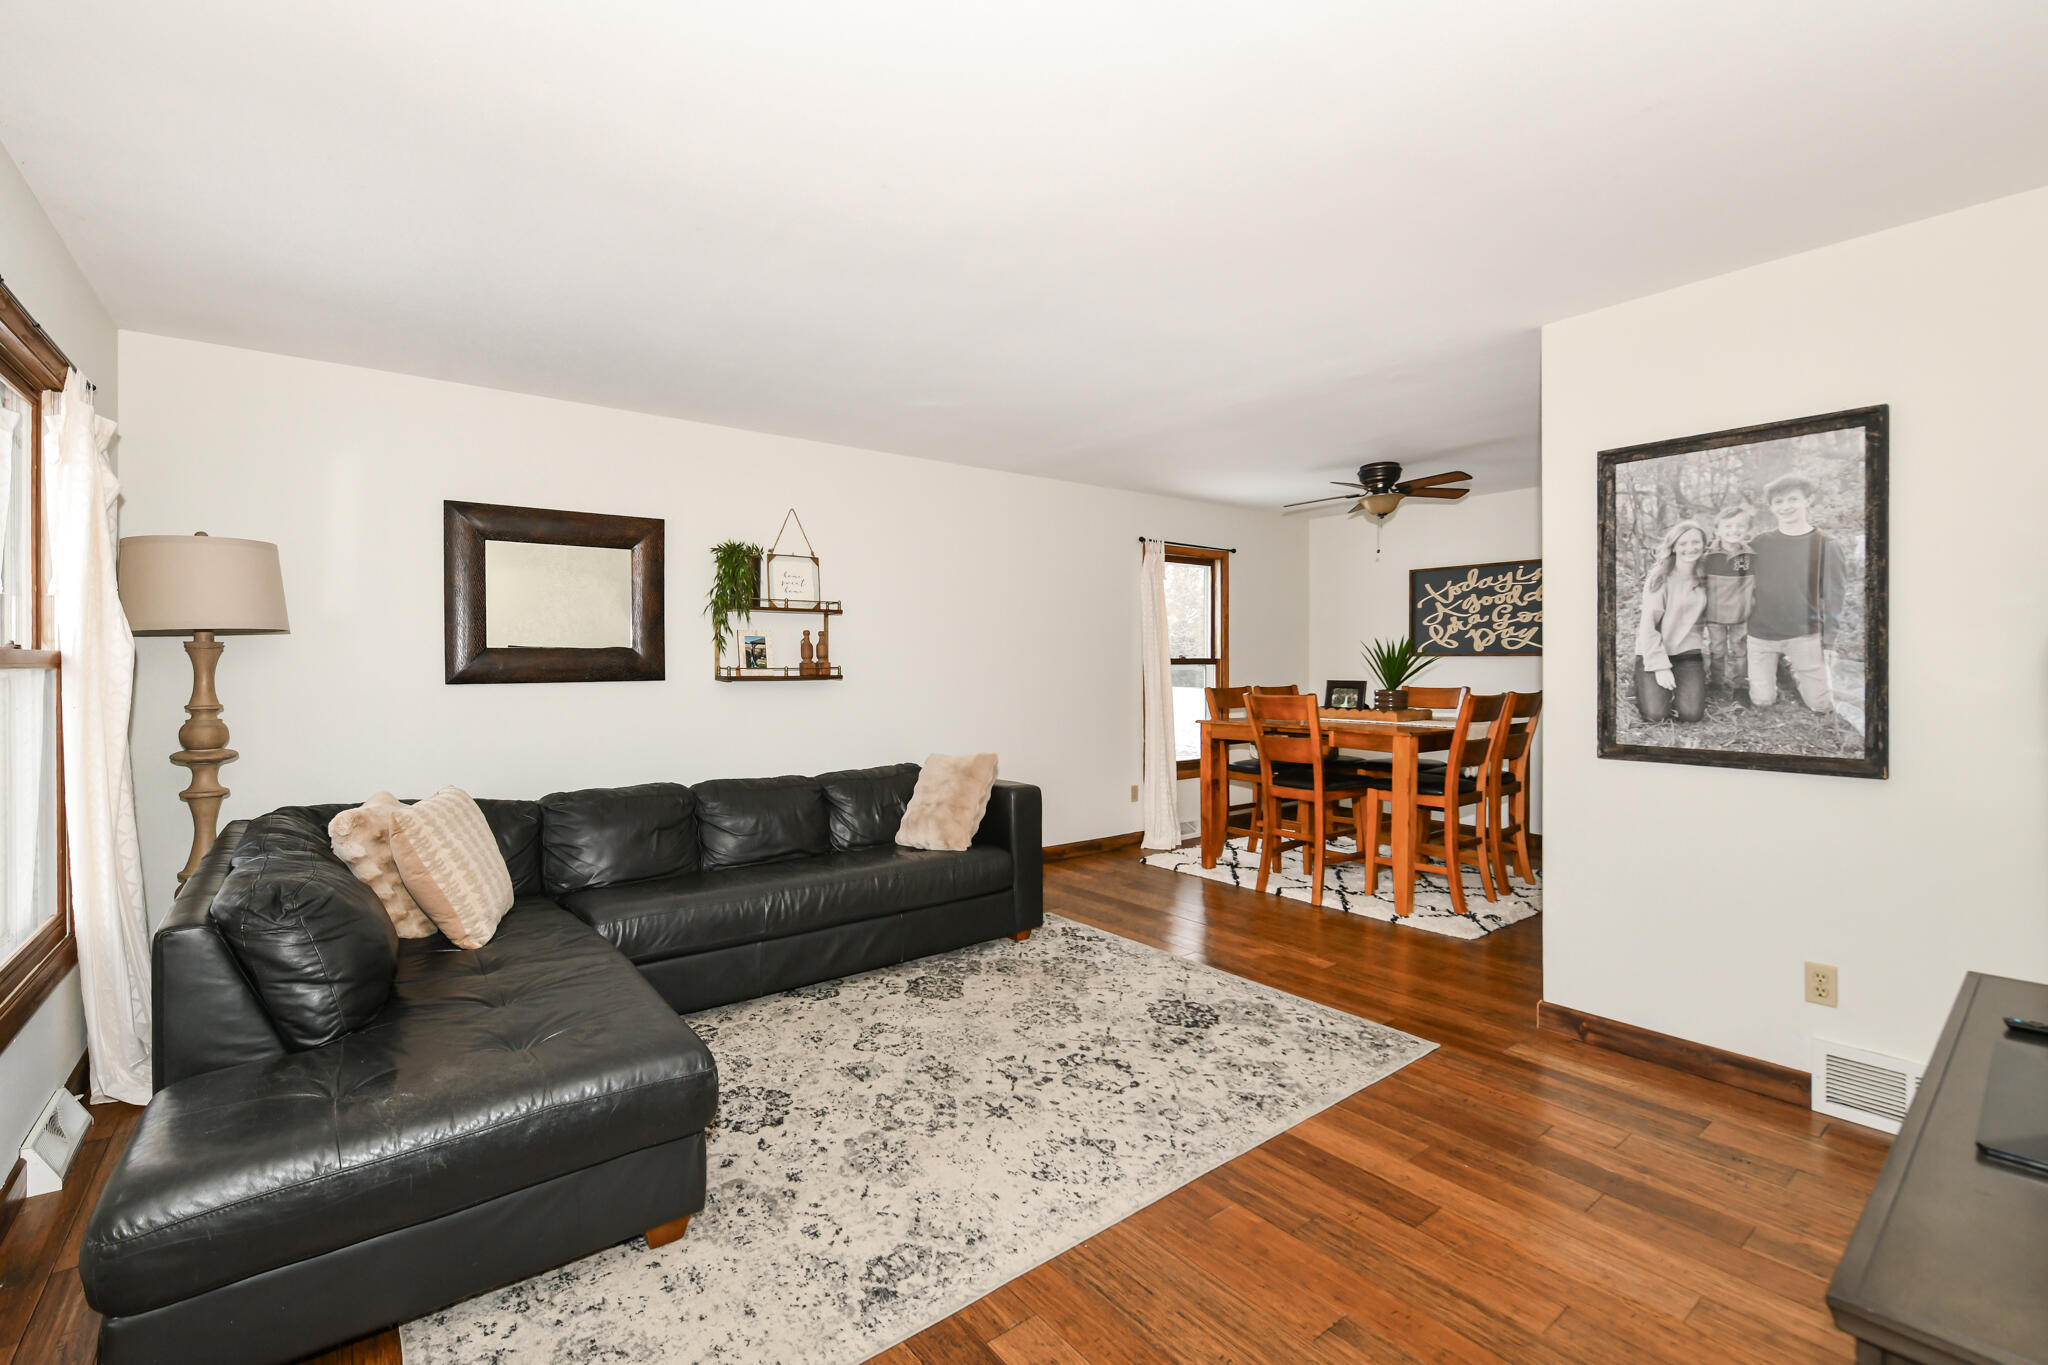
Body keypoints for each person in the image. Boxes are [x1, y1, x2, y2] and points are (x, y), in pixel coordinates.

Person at [1747, 472, 1847, 712]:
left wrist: (1829, 643)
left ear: (1807, 501)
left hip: (1803, 634)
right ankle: (1778, 668)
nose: (1786, 507)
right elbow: (1731, 572)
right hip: (1761, 635)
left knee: (1821, 706)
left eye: (1793, 499)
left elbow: (1835, 598)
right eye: (1778, 502)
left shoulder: (1826, 545)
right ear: (1771, 508)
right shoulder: (1760, 543)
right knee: (1762, 701)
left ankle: (1796, 667)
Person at [1633, 519, 1711, 723]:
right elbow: (1648, 626)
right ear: (1674, 547)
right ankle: (1643, 681)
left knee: (1691, 714)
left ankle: (1682, 682)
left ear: (1704, 544)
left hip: (1688, 651)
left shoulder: (1706, 576)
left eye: (1696, 542)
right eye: (1683, 543)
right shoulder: (1661, 577)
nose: (1690, 548)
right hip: (1654, 650)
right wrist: (1660, 666)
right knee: (1656, 715)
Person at [1700, 503, 1756, 698]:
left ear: (1748, 530)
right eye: (1728, 526)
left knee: (1740, 648)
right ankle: (1716, 682)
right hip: (1715, 615)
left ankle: (1740, 684)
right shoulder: (1708, 557)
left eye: (1740, 526)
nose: (1734, 531)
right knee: (1717, 649)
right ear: (1717, 530)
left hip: (1741, 614)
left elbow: (1754, 584)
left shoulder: (1751, 555)